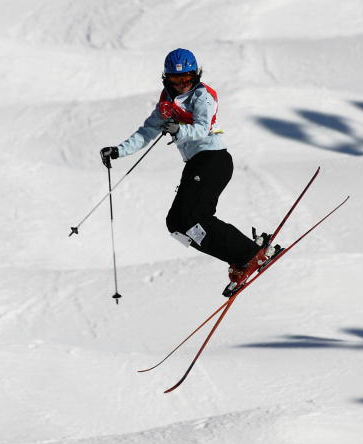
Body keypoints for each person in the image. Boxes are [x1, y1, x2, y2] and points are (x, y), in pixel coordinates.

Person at [100, 48, 279, 292]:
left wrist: (179, 131)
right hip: (196, 164)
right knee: (177, 223)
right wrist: (119, 150)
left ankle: (249, 253)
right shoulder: (166, 103)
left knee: (196, 217)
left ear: (195, 76)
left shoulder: (202, 96)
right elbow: (147, 131)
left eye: (187, 79)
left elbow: (203, 128)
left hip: (213, 160)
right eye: (176, 80)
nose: (183, 85)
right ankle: (241, 256)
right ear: (167, 79)